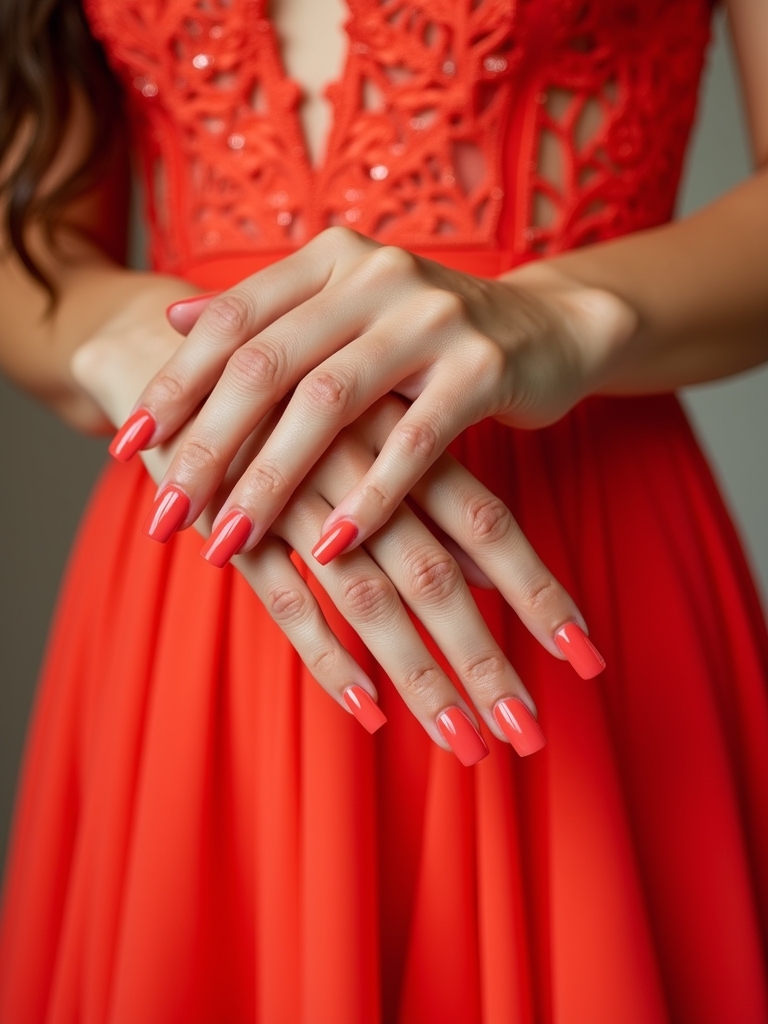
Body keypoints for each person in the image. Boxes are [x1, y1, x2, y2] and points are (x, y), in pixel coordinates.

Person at [1, 0, 767, 1020]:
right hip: (205, 548)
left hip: (563, 540)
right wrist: (123, 334)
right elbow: (29, 231)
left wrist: (571, 311)